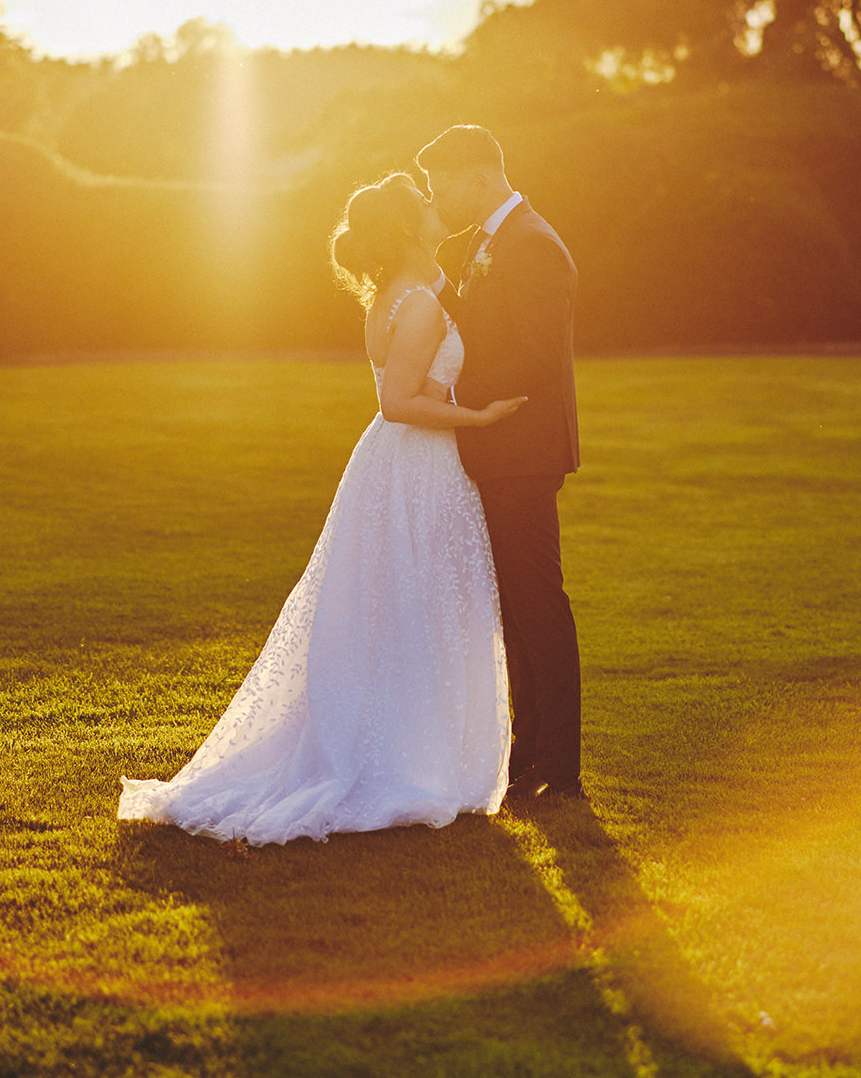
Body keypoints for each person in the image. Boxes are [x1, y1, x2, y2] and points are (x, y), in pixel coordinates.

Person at [118, 173, 526, 843]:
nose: (435, 203)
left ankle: (412, 746)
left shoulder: (400, 296)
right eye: (424, 203)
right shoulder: (417, 302)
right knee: (421, 605)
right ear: (404, 227)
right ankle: (409, 759)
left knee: (405, 607)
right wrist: (477, 416)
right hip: (418, 464)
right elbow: (397, 402)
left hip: (396, 464)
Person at [415, 125, 585, 801]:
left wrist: (454, 393)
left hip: (525, 449)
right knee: (512, 607)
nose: (437, 195)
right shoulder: (490, 243)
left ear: (480, 176)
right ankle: (528, 749)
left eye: (441, 182)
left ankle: (561, 766)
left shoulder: (533, 245)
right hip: (498, 448)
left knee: (537, 603)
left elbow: (538, 358)